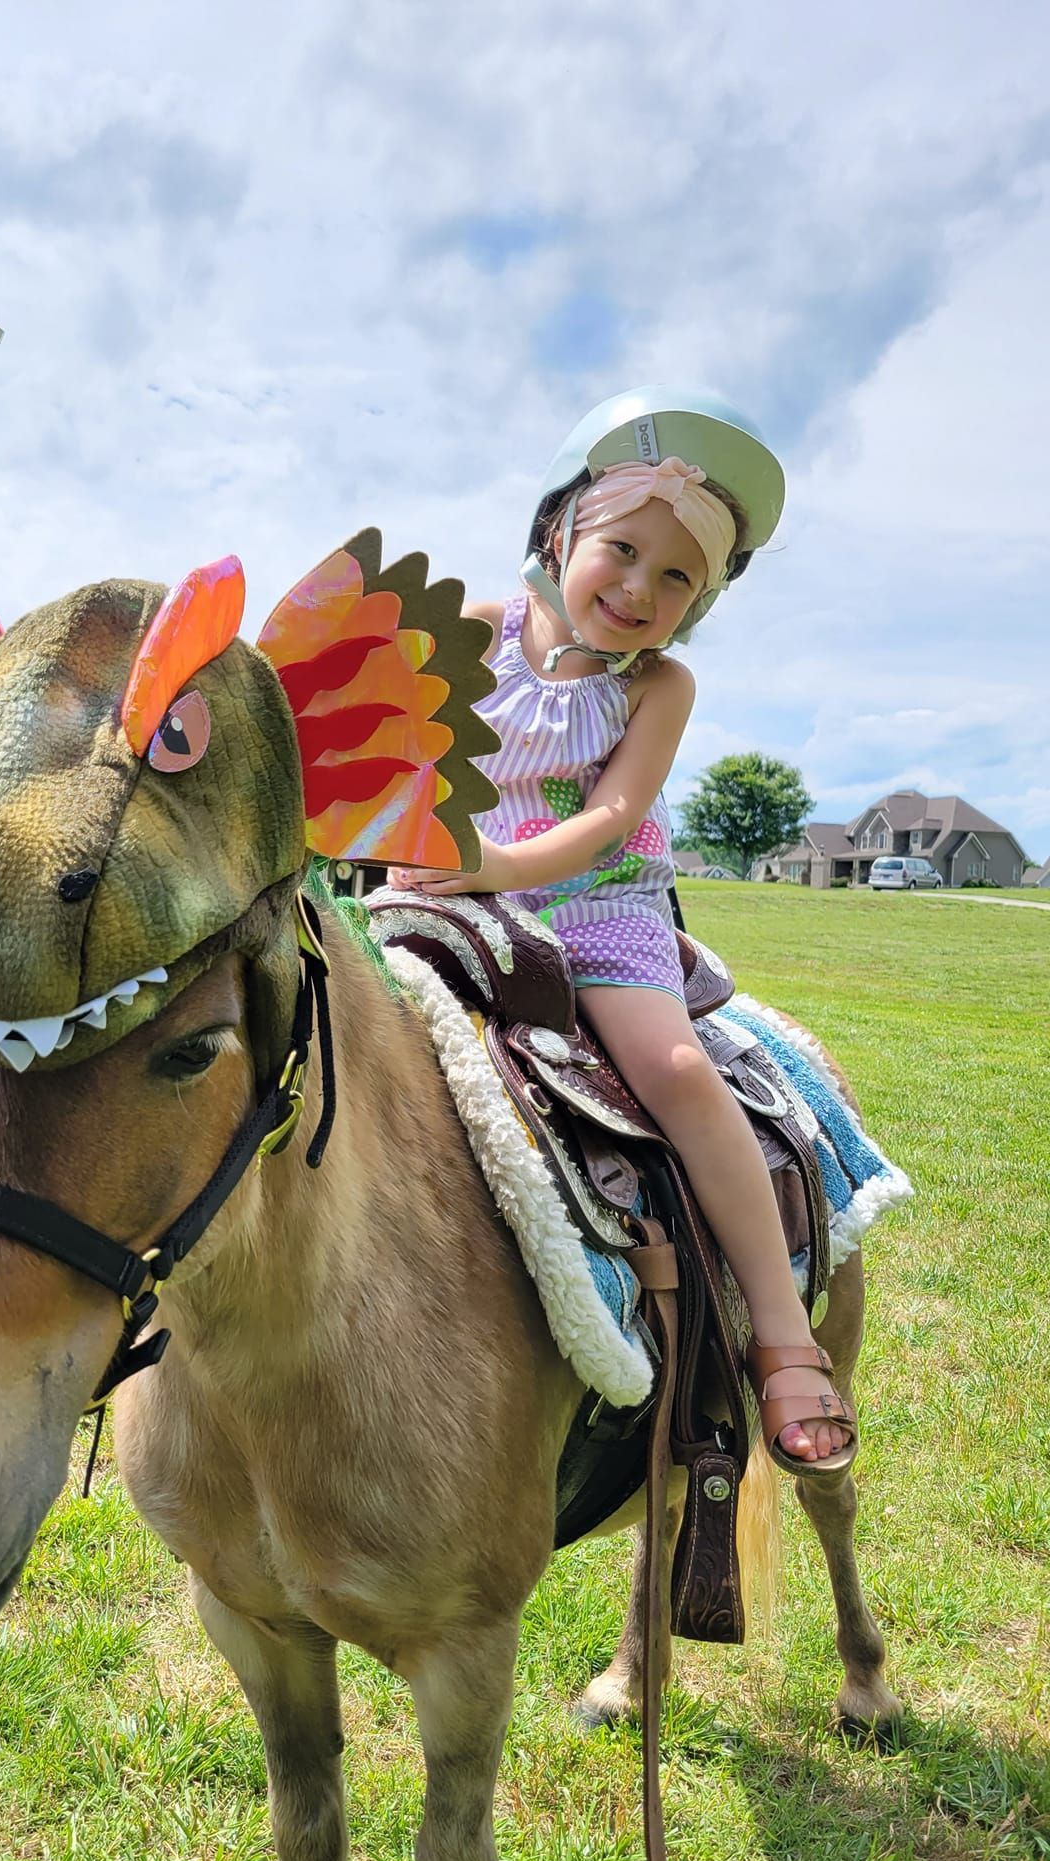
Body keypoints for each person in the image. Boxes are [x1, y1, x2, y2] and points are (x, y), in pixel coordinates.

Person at [392, 388, 855, 1475]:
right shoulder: (464, 629)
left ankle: (783, 1333)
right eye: (623, 550)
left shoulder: (662, 686)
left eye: (677, 576)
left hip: (597, 902)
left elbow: (610, 816)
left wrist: (496, 865)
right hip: (443, 881)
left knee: (677, 1065)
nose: (641, 587)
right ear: (560, 533)